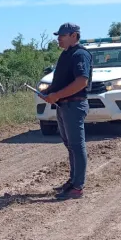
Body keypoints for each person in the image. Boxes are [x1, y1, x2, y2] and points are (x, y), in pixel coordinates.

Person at [41, 23, 93, 200]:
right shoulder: (66, 54)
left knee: (77, 146)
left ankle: (78, 187)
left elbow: (81, 82)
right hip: (64, 106)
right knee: (71, 146)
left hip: (74, 105)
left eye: (62, 35)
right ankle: (73, 181)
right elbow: (63, 80)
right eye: (58, 35)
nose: (58, 39)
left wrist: (56, 95)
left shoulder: (80, 55)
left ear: (74, 35)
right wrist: (49, 93)